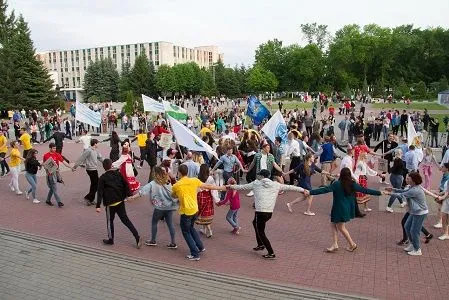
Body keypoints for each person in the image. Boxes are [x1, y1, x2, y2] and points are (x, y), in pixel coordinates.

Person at [228, 169, 309, 260]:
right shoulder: (276, 184)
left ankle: (271, 252)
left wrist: (230, 186)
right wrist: (303, 190)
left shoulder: (256, 183)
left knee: (261, 232)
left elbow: (242, 187)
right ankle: (260, 244)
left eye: (259, 175)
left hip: (260, 211)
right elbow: (290, 187)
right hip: (269, 212)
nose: (258, 176)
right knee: (255, 223)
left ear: (262, 176)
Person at [309, 168, 384, 253]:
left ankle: (352, 244)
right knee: (333, 224)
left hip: (338, 208)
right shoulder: (352, 184)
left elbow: (324, 190)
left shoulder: (337, 184)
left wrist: (310, 192)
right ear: (349, 176)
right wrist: (379, 193)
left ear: (341, 174)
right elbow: (365, 190)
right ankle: (335, 244)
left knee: (341, 227)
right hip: (346, 209)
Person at [171, 164, 225, 261]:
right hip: (195, 209)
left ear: (179, 173)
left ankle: (194, 253)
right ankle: (200, 247)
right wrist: (222, 188)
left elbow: (173, 196)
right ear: (187, 172)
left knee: (186, 232)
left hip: (186, 212)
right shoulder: (194, 180)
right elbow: (208, 186)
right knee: (191, 228)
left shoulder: (176, 185)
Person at [127, 166, 178, 248]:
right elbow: (173, 193)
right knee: (170, 224)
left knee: (154, 222)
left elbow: (142, 192)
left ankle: (153, 240)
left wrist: (132, 198)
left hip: (159, 208)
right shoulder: (167, 182)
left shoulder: (153, 184)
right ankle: (173, 242)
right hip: (169, 207)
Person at [387, 172, 438, 256]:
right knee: (407, 226)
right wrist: (393, 189)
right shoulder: (412, 187)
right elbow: (404, 190)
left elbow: (402, 195)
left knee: (415, 231)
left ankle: (417, 249)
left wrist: (389, 193)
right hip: (414, 211)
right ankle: (412, 244)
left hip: (420, 213)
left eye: (408, 178)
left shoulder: (415, 190)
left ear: (413, 181)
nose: (406, 179)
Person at [96, 159, 141, 248]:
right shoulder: (118, 174)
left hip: (110, 204)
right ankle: (137, 236)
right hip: (120, 201)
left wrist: (98, 205)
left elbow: (100, 192)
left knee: (110, 221)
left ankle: (111, 239)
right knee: (126, 220)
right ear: (111, 166)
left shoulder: (102, 177)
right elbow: (126, 184)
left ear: (104, 167)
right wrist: (129, 195)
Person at [73, 139, 104, 206]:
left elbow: (100, 158)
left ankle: (90, 199)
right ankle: (88, 198)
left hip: (94, 169)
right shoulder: (88, 150)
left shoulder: (95, 151)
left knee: (94, 184)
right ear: (95, 144)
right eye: (98, 143)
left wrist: (108, 164)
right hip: (91, 169)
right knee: (96, 184)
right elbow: (81, 158)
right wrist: (75, 166)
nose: (98, 144)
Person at [42, 142, 73, 207]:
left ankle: (48, 200)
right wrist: (46, 169)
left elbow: (64, 162)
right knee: (54, 187)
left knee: (52, 188)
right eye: (53, 148)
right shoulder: (46, 155)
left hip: (56, 173)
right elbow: (44, 165)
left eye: (55, 148)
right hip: (50, 174)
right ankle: (59, 202)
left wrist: (71, 167)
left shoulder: (57, 154)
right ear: (50, 148)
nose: (54, 149)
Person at [196, 164, 220, 238]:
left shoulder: (198, 177)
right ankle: (208, 229)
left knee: (202, 213)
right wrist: (217, 200)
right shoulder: (210, 178)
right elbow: (213, 190)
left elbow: (196, 189)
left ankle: (205, 229)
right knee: (206, 214)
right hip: (207, 196)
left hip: (200, 197)